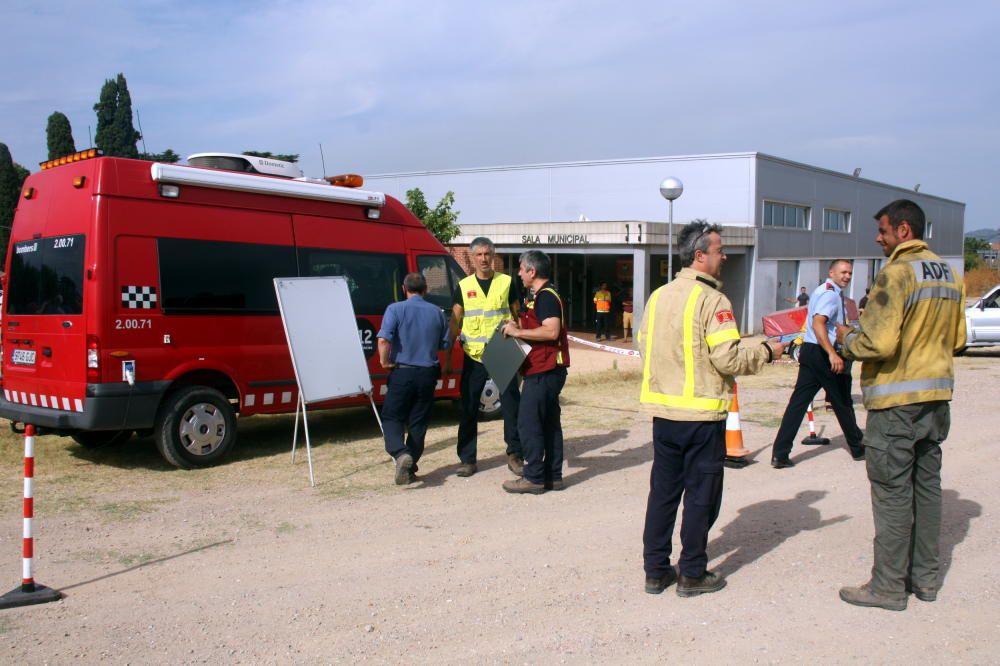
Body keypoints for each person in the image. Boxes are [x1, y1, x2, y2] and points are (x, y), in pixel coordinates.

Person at [638, 220, 784, 597]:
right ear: (700, 256)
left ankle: (655, 571)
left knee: (663, 494)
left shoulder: (658, 296)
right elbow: (729, 359)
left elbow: (645, 347)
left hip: (665, 414)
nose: (725, 257)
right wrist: (767, 350)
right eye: (719, 251)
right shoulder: (713, 300)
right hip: (701, 417)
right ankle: (692, 573)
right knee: (701, 495)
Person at [835, 199, 965, 611]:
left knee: (892, 494)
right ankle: (925, 580)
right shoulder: (948, 274)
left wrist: (847, 340)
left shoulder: (897, 273)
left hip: (896, 404)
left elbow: (879, 342)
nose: (878, 238)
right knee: (927, 490)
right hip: (936, 402)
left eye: (884, 231)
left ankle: (888, 587)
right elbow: (959, 340)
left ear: (904, 231)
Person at [770, 259, 866, 468]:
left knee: (798, 403)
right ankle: (858, 447)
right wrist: (832, 354)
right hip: (823, 352)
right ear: (831, 272)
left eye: (849, 273)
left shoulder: (822, 290)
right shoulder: (830, 295)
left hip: (810, 350)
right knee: (842, 402)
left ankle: (780, 453)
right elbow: (818, 323)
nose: (847, 276)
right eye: (843, 272)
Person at [500, 250, 570, 494]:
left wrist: (517, 333)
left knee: (528, 423)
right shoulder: (539, 297)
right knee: (549, 423)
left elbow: (551, 331)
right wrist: (516, 325)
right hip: (546, 369)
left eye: (521, 268)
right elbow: (538, 327)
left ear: (532, 271)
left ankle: (534, 477)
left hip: (545, 370)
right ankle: (553, 476)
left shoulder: (547, 297)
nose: (518, 273)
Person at [453, 237, 523, 478]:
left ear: (493, 256)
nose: (483, 259)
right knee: (469, 408)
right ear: (472, 258)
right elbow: (456, 318)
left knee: (512, 406)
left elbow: (517, 314)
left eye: (487, 254)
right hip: (474, 356)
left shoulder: (507, 282)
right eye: (479, 255)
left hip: (502, 350)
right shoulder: (463, 285)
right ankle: (467, 459)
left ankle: (515, 454)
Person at [377, 272, 450, 485]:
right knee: (418, 422)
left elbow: (383, 340)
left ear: (403, 288)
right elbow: (444, 344)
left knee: (392, 418)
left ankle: (400, 454)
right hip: (428, 373)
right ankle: (410, 469)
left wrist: (385, 362)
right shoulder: (437, 312)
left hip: (402, 371)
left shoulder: (395, 309)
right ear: (425, 289)